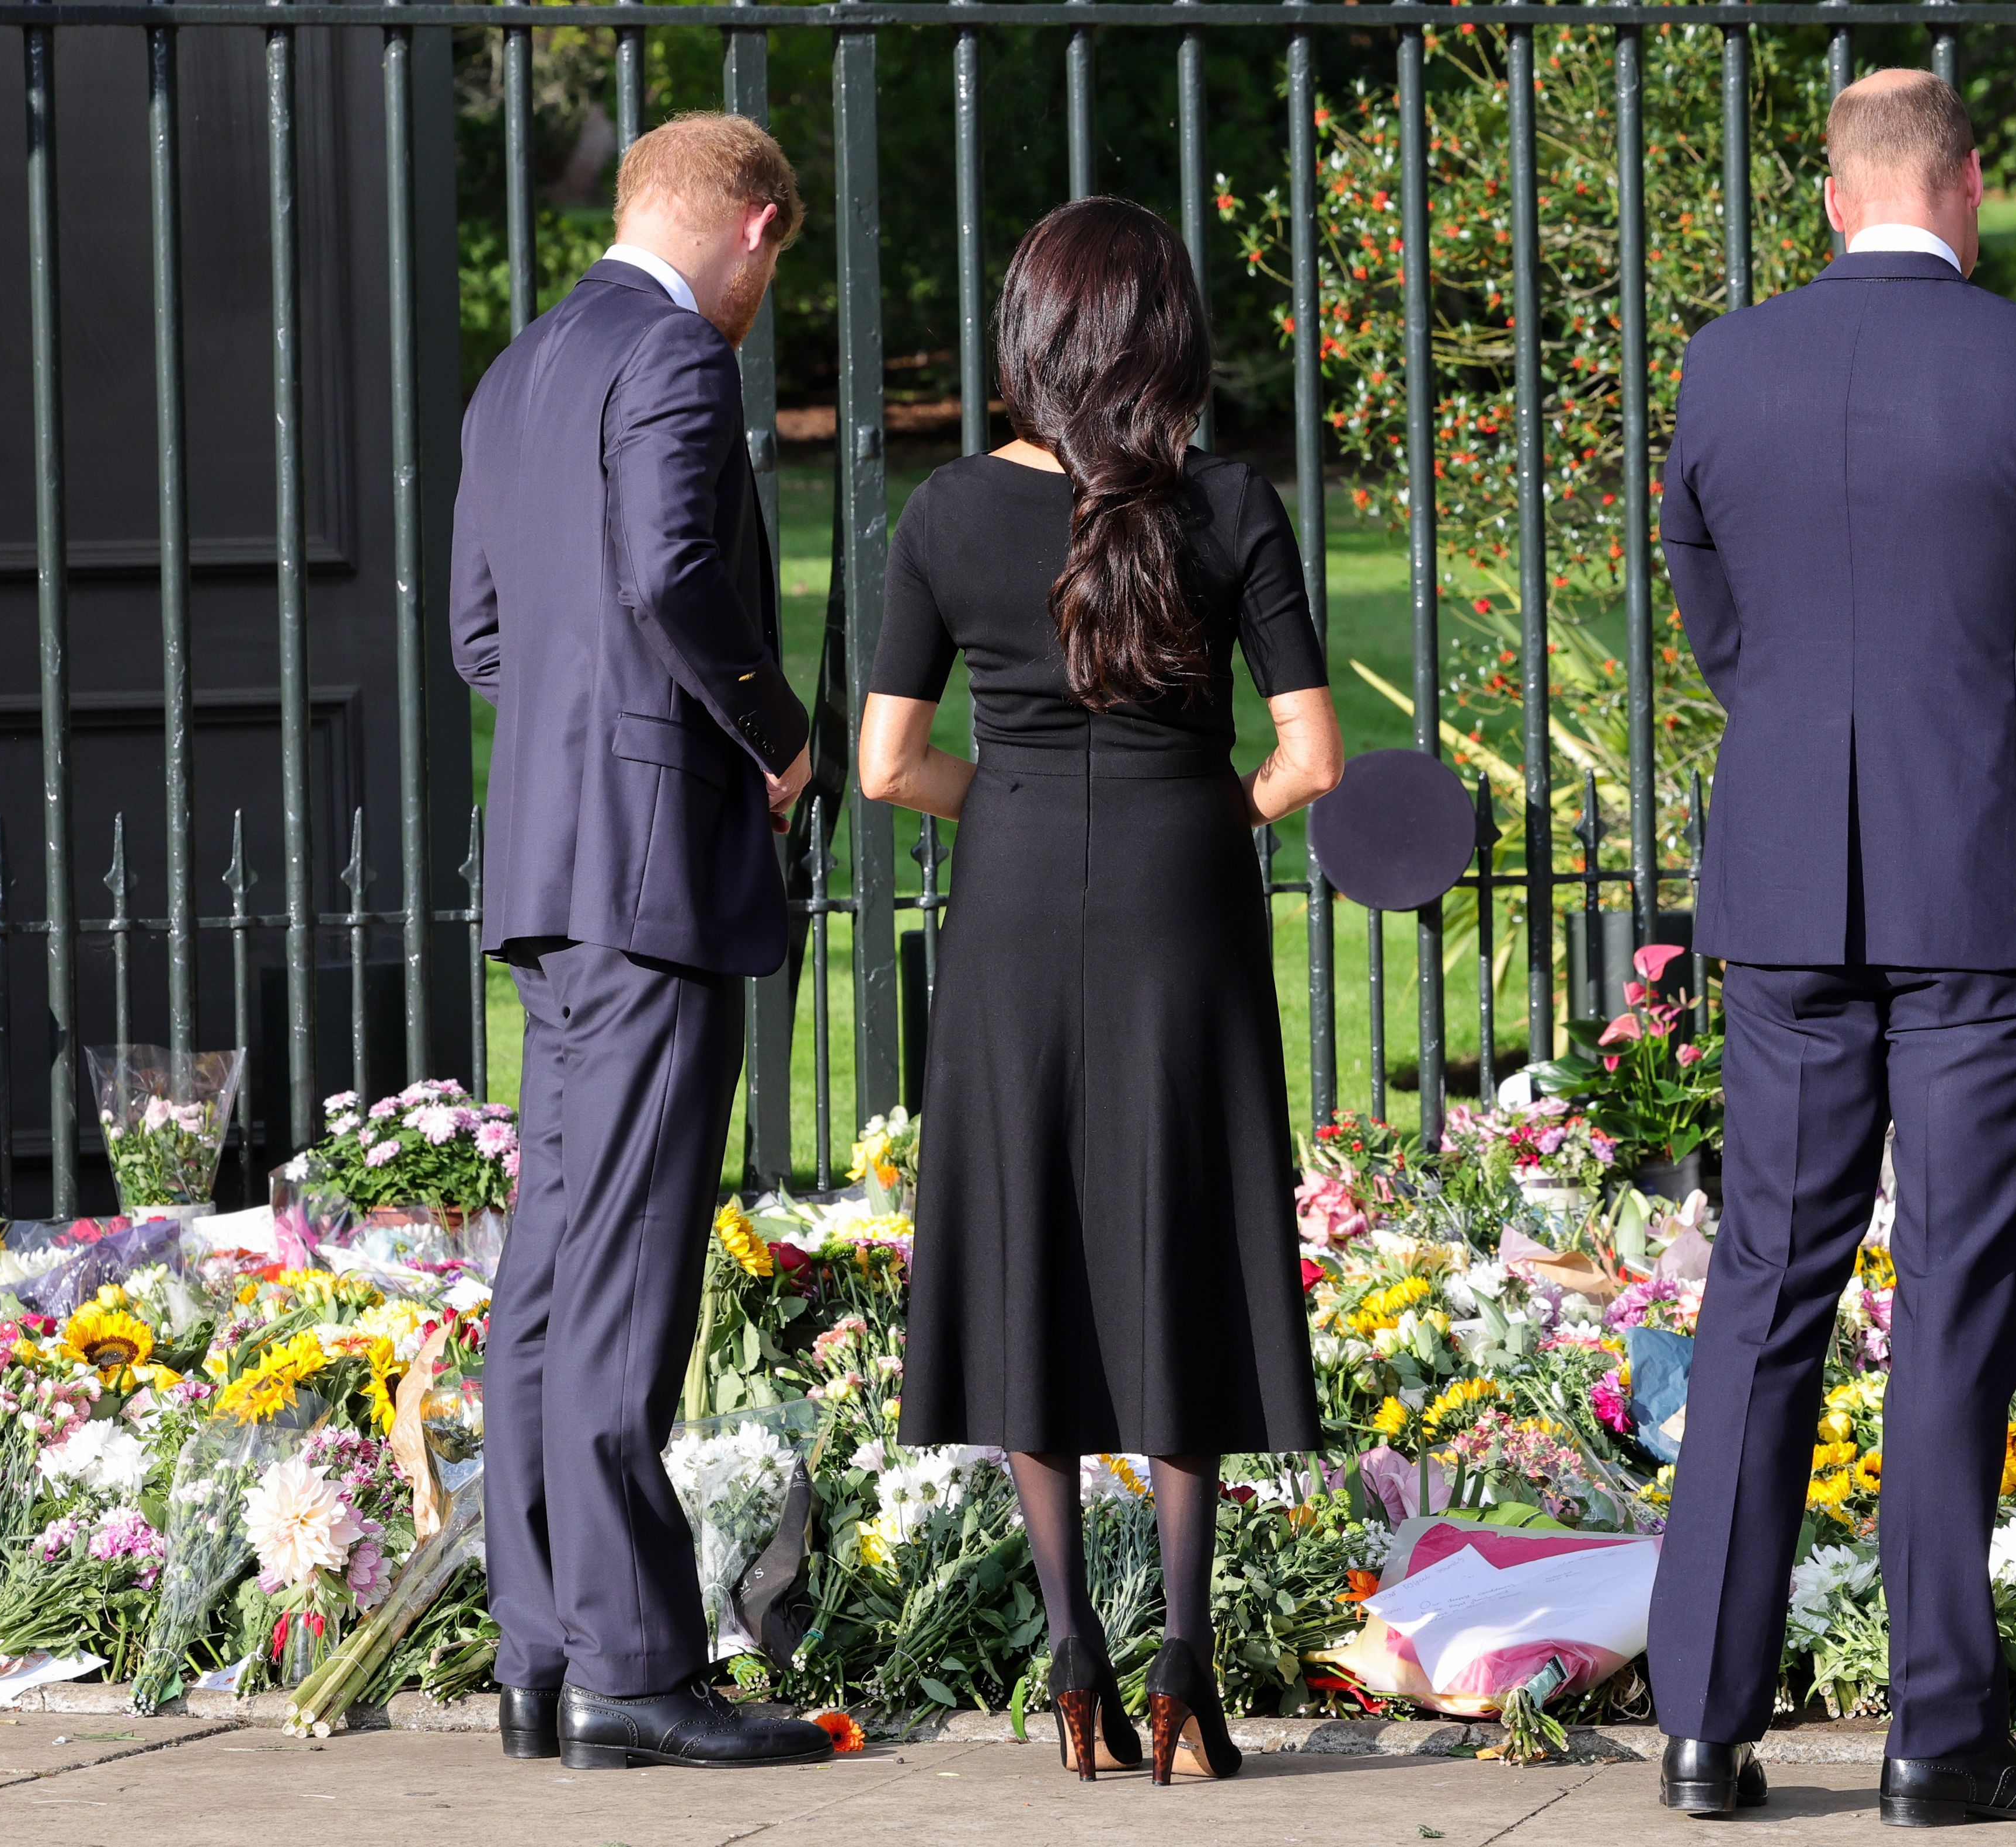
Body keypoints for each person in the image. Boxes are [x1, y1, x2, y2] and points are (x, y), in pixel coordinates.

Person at [1644, 69, 2016, 1828]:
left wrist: (1801, 745)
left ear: (1835, 196)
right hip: (1980, 892)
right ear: (1973, 183)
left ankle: (1703, 1724)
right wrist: (2011, 780)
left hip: (1786, 884)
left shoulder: (1724, 367)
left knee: (1762, 1294)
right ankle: (1938, 1733)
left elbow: (1714, 614)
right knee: (1952, 1309)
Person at [856, 197, 1342, 1787]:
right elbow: (1310, 758)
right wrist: (1215, 812)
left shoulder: (942, 513)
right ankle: (1185, 1673)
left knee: (1026, 1245)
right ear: (1168, 339)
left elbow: (883, 763)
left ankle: (1070, 1646)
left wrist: (1002, 797)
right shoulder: (1231, 504)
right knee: (1179, 1234)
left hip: (1005, 910)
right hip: (1182, 903)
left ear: (1027, 338)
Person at [450, 114, 831, 1772]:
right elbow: (679, 570)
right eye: (777, 263)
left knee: (548, 1269)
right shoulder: (678, 358)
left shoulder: (517, 370)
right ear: (752, 225)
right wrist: (775, 734)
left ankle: (542, 1648)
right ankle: (629, 1664)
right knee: (623, 1274)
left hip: (547, 874)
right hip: (652, 880)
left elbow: (481, 636)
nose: (765, 297)